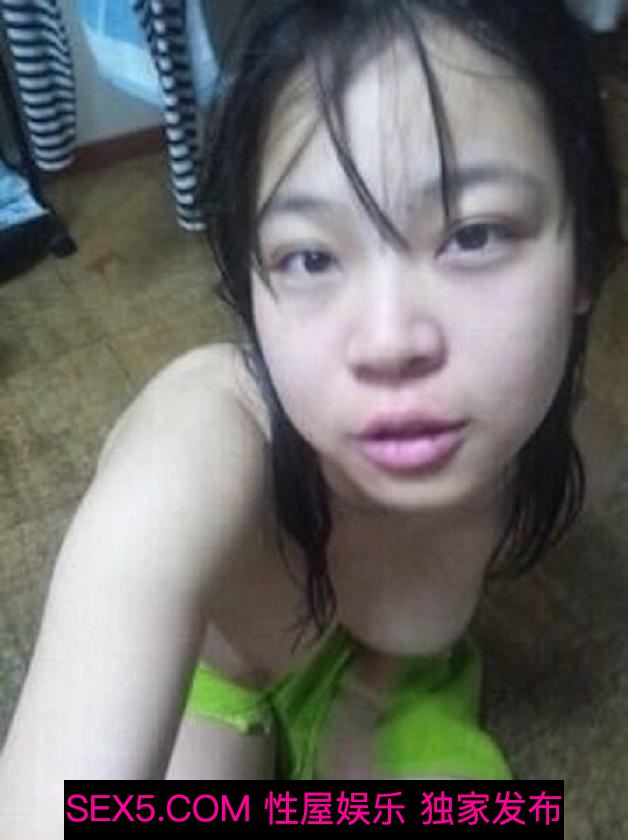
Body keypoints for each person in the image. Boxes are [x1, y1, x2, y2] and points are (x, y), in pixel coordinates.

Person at [0, 0, 623, 827]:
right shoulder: (199, 447)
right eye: (310, 256)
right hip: (214, 686)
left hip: (393, 678)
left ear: (586, 258)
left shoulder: (582, 451)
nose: (389, 340)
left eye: (474, 234)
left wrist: (370, 700)